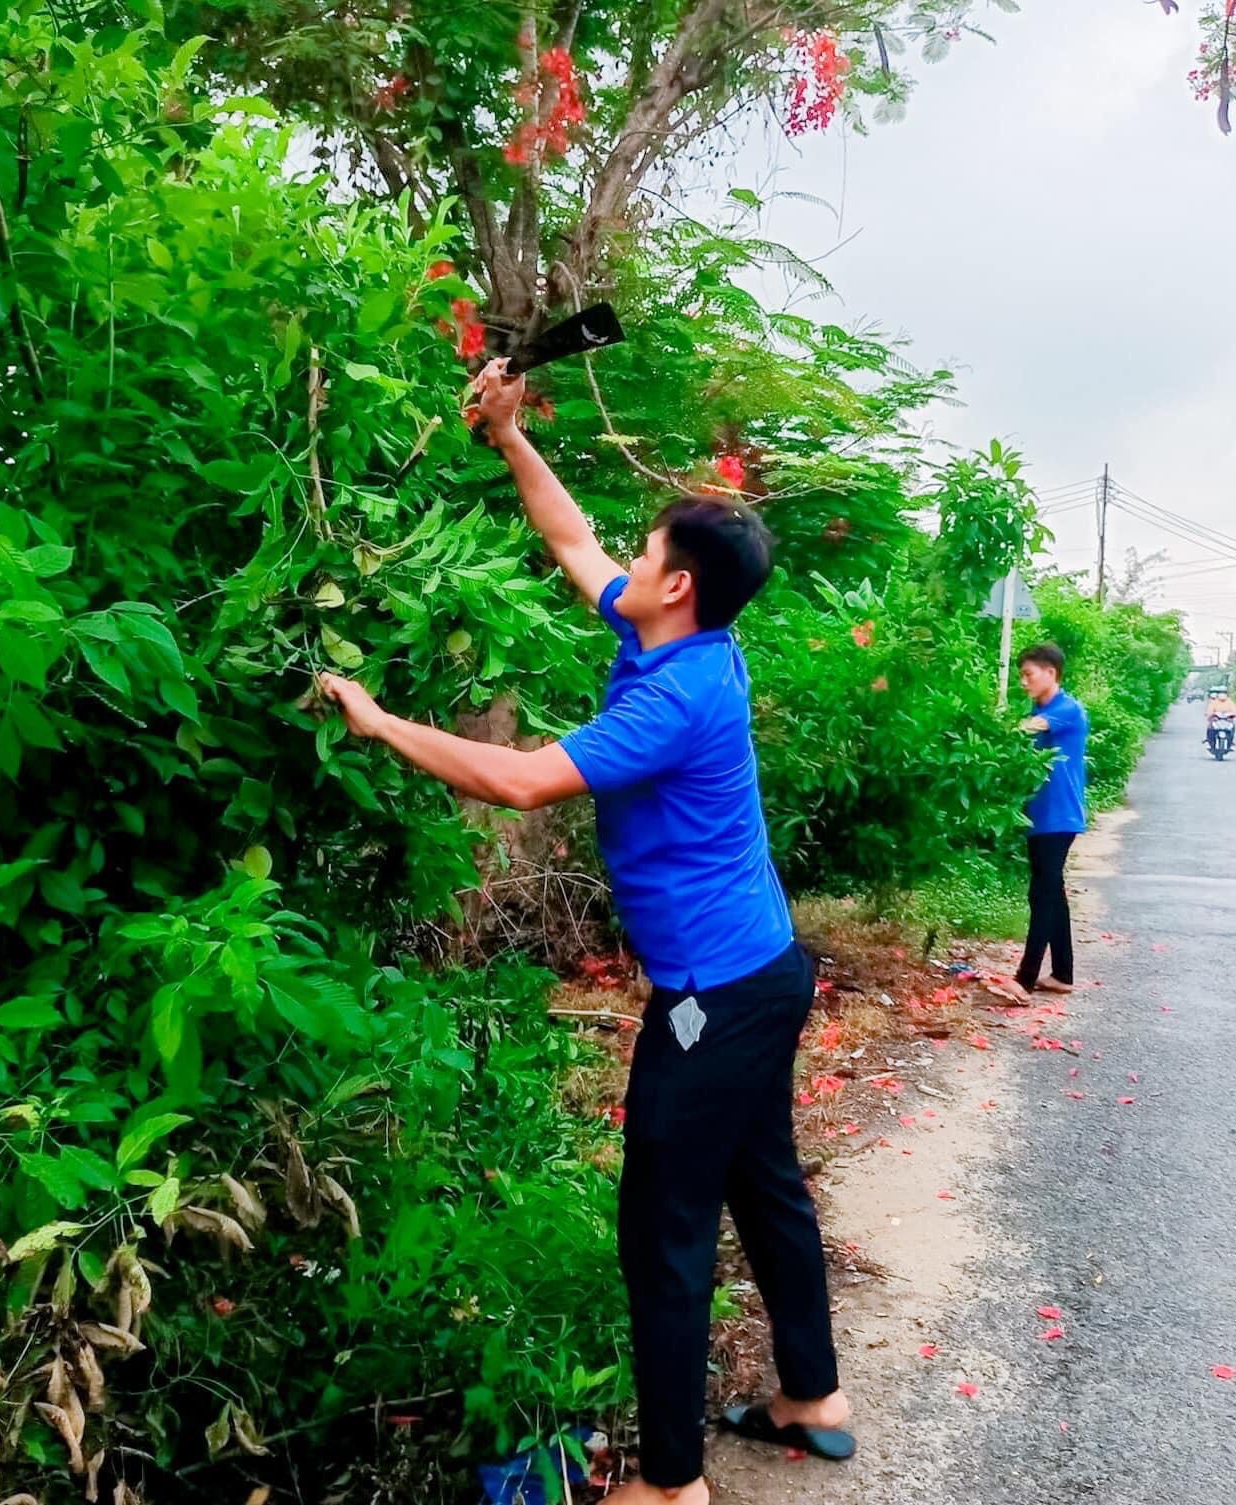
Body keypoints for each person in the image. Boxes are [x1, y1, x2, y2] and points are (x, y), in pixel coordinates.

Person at [315, 359, 848, 1505]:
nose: (629, 559)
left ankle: (667, 1483)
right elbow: (572, 547)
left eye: (648, 551)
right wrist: (509, 435)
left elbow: (516, 781)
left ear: (682, 583)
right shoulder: (677, 637)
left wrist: (375, 720)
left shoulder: (674, 698)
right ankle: (810, 1394)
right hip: (762, 968)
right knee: (765, 1184)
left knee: (662, 1229)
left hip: (713, 991)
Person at [1006, 644, 1088, 999]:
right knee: (1051, 893)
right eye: (1021, 675)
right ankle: (1062, 975)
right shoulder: (1039, 706)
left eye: (1029, 674)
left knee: (1041, 894)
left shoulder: (1066, 709)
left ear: (1051, 673)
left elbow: (1027, 729)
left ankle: (1024, 980)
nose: (1024, 681)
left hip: (1059, 816)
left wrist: (994, 726)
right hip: (1040, 815)